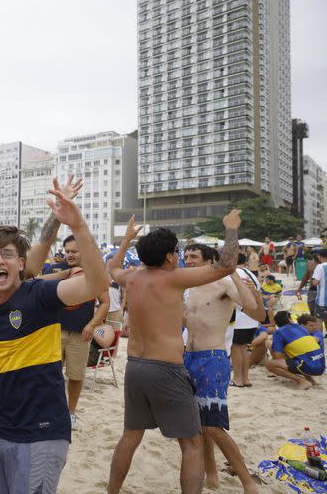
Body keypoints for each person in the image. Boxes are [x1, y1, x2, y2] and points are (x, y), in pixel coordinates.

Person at [0, 177, 109, 493]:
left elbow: (96, 284)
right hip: (1, 429)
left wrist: (77, 226)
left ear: (20, 263)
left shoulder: (40, 295)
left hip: (42, 433)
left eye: (7, 254)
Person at [106, 210, 241, 494]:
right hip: (166, 369)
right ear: (169, 256)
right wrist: (231, 229)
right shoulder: (175, 278)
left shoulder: (131, 277)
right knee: (191, 443)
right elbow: (228, 265)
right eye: (177, 252)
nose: (179, 257)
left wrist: (126, 239)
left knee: (130, 436)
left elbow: (112, 268)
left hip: (135, 366)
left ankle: (112, 491)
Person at [182, 243, 260, 493]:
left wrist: (232, 272)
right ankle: (212, 473)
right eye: (186, 256)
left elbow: (255, 312)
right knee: (197, 423)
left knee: (214, 424)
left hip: (213, 358)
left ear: (209, 261)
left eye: (193, 256)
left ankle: (247, 482)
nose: (188, 260)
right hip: (188, 358)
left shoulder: (223, 283)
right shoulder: (188, 287)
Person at [56, 234, 110, 429]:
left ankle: (70, 413)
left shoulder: (93, 272)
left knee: (76, 375)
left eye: (74, 251)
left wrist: (92, 324)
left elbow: (105, 303)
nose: (69, 255)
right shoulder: (57, 269)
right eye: (67, 251)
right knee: (50, 374)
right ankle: (54, 411)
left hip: (81, 333)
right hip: (54, 330)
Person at [266, 310, 325, 389]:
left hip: (311, 367)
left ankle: (302, 381)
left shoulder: (279, 332)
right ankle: (310, 380)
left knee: (270, 364)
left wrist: (274, 347)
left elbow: (277, 357)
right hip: (321, 365)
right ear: (290, 320)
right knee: (299, 354)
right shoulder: (300, 327)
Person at [230, 253, 263, 388]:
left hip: (240, 316)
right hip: (252, 319)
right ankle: (245, 378)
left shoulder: (235, 273)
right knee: (243, 347)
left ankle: (238, 378)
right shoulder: (251, 273)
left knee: (236, 348)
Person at [296, 249, 325, 314]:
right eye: (313, 253)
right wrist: (300, 288)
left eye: (316, 253)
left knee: (323, 311)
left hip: (323, 289)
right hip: (312, 289)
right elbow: (306, 276)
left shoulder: (324, 264)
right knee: (311, 309)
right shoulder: (310, 263)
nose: (315, 254)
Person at [308, 249, 327, 320]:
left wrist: (313, 280)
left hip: (323, 301)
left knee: (319, 320)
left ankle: (319, 332)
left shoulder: (320, 266)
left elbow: (315, 283)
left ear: (320, 256)